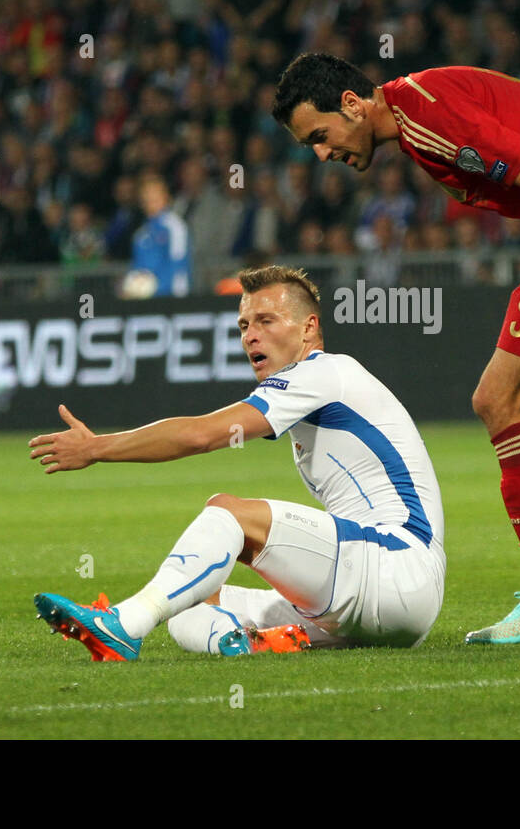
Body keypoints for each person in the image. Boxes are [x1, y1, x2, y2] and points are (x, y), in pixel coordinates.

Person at [272, 53, 520, 644]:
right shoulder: (421, 103)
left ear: (352, 104)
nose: (322, 155)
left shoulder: (425, 117)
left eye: (320, 137)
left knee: (497, 399)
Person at [29, 265, 446, 659]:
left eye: (266, 321)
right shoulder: (319, 388)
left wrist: (96, 448)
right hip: (389, 600)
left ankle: (121, 625)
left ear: (309, 328)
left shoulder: (323, 372)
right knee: (190, 600)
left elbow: (200, 434)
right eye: (244, 326)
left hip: (396, 564)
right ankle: (252, 644)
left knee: (226, 512)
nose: (251, 337)